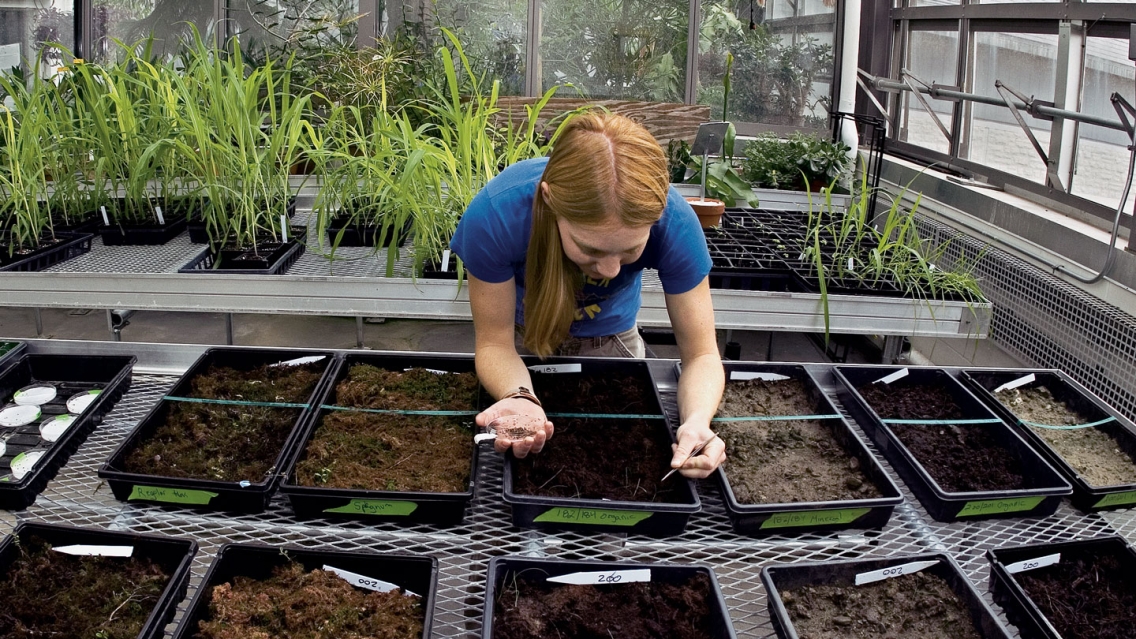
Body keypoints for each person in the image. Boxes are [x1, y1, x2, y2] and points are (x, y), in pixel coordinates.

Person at [450, 111, 726, 479]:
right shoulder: (498, 214)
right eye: (591, 250)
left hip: (611, 341)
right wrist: (519, 397)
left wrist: (696, 421)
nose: (612, 269)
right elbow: (495, 345)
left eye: (630, 251)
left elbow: (702, 355)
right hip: (521, 343)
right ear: (549, 202)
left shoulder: (675, 223)